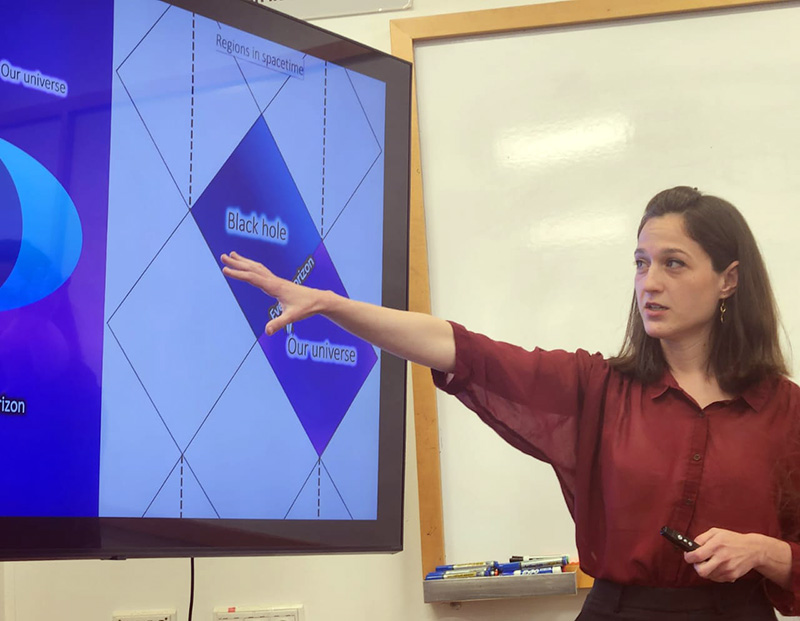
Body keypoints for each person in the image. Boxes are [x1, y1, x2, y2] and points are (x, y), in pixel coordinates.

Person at [220, 186, 800, 620]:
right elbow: (460, 348)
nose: (649, 283)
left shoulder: (786, 412)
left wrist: (767, 553)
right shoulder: (598, 387)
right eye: (641, 263)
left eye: (674, 263)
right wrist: (331, 304)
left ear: (728, 280)